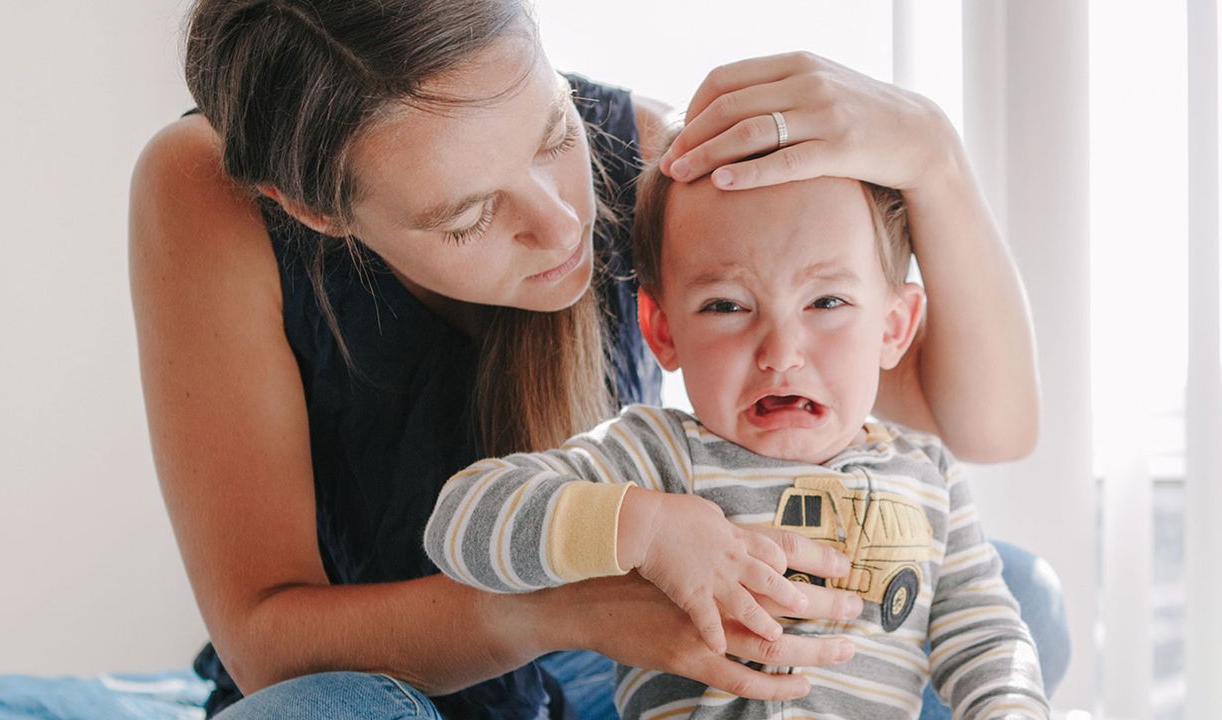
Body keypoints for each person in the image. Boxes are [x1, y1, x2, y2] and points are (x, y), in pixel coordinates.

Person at [127, 1, 1063, 718]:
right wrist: (568, 603)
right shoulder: (205, 190)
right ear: (317, 212)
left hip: (612, 670)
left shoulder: (659, 162)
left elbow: (987, 424)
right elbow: (263, 639)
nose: (564, 222)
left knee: (1014, 596)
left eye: (554, 133)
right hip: (401, 681)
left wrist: (934, 159)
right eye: (470, 216)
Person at [424, 150, 1050, 718]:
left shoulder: (928, 474)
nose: (780, 352)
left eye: (826, 302)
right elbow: (458, 524)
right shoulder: (659, 455)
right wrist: (646, 529)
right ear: (663, 330)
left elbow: (984, 634)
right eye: (727, 305)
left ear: (894, 325)